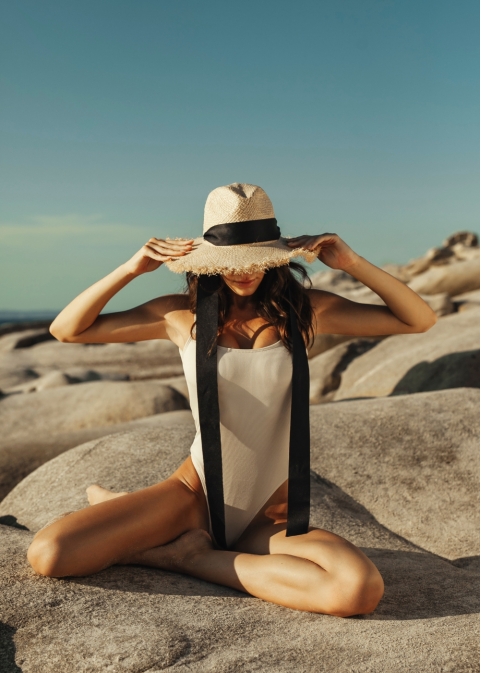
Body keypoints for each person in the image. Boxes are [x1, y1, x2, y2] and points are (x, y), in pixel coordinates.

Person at [27, 183, 437, 616]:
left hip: (269, 517)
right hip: (192, 498)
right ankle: (144, 519)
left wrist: (351, 263)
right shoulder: (177, 315)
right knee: (49, 555)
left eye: (256, 259)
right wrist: (131, 269)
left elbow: (420, 320)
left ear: (275, 257)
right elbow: (67, 329)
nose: (243, 270)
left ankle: (187, 558)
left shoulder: (308, 311)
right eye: (229, 261)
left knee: (358, 590)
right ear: (209, 261)